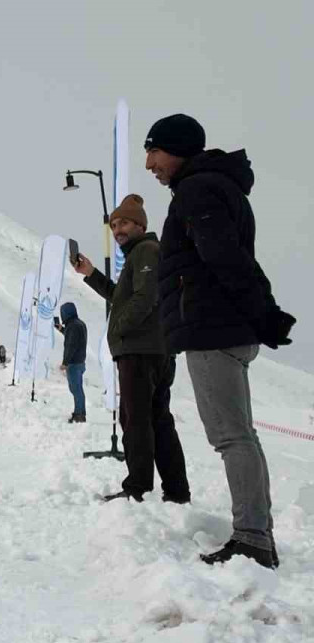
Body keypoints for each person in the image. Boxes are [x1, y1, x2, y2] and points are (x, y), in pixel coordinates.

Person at [146, 114, 295, 568]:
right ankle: (255, 534)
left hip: (214, 330)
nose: (150, 163)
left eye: (154, 151)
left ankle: (252, 539)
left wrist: (263, 314)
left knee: (232, 438)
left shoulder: (198, 189)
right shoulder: (211, 186)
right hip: (222, 327)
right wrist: (262, 315)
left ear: (178, 149)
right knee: (239, 436)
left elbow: (224, 258)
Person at [73, 193, 190, 504]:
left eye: (123, 222)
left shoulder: (147, 251)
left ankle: (136, 488)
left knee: (136, 420)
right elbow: (122, 296)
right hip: (153, 349)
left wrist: (121, 329)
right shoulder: (139, 253)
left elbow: (145, 297)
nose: (117, 229)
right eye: (113, 224)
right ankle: (176, 491)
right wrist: (91, 274)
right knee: (157, 420)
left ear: (140, 224)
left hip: (141, 352)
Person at [54, 302, 87, 423]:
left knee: (75, 389)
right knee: (78, 389)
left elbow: (70, 345)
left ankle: (79, 415)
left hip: (73, 363)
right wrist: (61, 329)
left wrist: (65, 362)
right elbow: (72, 337)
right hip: (80, 362)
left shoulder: (73, 326)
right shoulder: (79, 324)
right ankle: (80, 412)